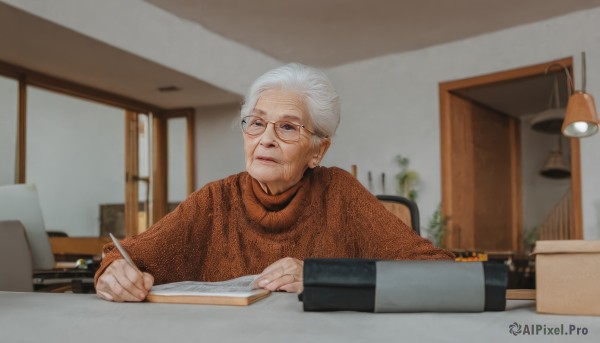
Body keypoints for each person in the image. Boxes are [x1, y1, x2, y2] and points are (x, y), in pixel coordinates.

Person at [95, 63, 454, 302]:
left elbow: (440, 273)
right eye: (256, 123)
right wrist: (114, 274)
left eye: (286, 127)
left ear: (318, 150)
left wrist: (324, 276)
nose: (265, 139)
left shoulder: (340, 194)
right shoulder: (214, 200)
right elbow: (128, 256)